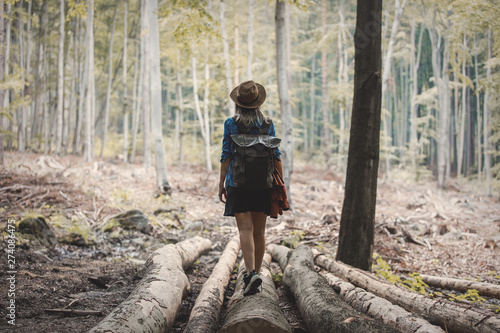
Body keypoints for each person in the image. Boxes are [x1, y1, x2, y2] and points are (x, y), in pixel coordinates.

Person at [218, 80, 283, 296]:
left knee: (245, 230)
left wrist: (221, 184)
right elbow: (276, 156)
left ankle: (250, 274)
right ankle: (258, 273)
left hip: (238, 183)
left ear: (239, 103)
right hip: (263, 185)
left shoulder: (231, 123)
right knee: (260, 232)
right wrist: (279, 185)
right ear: (258, 103)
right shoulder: (267, 124)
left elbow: (226, 155)